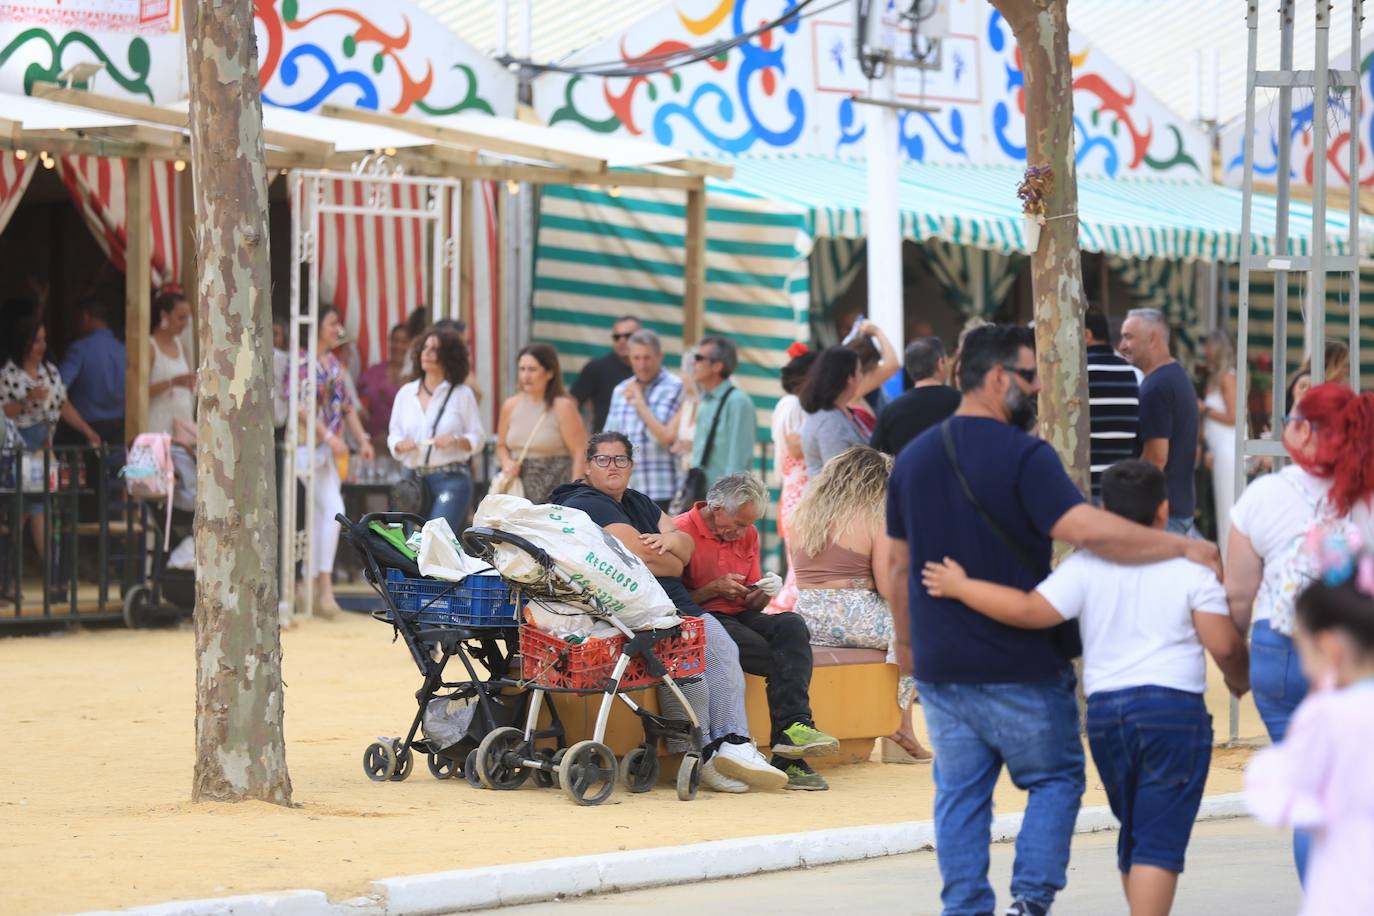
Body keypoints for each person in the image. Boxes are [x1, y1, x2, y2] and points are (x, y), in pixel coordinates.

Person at [885, 324, 1220, 916]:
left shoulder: (913, 459)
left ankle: (965, 907)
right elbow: (1084, 528)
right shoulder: (1025, 455)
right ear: (996, 379)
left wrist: (908, 644)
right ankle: (1029, 902)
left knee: (960, 796)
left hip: (942, 662)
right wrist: (1182, 546)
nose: (1039, 388)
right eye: (1030, 376)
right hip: (1020, 661)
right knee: (1058, 779)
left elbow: (894, 562)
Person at [924, 460, 1250, 916]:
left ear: (1102, 511)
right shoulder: (1191, 567)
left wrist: (961, 587)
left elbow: (1027, 611)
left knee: (1135, 827)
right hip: (1171, 712)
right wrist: (1240, 679)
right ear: (1163, 511)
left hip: (1106, 716)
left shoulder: (1087, 566)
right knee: (1158, 836)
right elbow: (1224, 646)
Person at [551, 433, 787, 793]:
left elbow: (684, 544)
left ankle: (728, 746)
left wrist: (673, 550)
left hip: (668, 601)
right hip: (640, 607)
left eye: (620, 460)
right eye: (603, 459)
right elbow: (640, 559)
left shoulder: (637, 501)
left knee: (720, 654)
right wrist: (671, 555)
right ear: (587, 465)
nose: (612, 466)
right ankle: (713, 750)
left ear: (631, 465)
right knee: (706, 658)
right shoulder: (588, 502)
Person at [1224, 383, 1374, 883]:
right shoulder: (1365, 495)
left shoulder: (1263, 495)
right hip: (1355, 658)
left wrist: (1236, 668)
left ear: (1305, 430)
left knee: (1313, 794)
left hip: (1279, 654)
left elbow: (1239, 596)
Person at [676, 474, 839, 790]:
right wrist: (712, 589)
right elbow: (672, 601)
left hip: (740, 615)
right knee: (780, 658)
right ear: (716, 507)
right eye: (737, 524)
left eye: (746, 525)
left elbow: (750, 600)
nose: (741, 532)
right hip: (703, 619)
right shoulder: (681, 531)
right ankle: (790, 750)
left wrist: (764, 591)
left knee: (791, 625)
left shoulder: (747, 533)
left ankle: (795, 730)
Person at [1244, 531, 1374, 916]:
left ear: (1330, 649)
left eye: (1303, 647)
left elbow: (1281, 796)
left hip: (1347, 894)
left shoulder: (1328, 716)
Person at [788, 445, 931, 764]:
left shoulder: (802, 514)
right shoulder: (875, 516)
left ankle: (897, 727)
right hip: (855, 615)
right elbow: (887, 583)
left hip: (808, 615)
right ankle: (903, 726)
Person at [1, 304, 102, 598]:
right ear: (24, 343)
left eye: (44, 340)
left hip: (46, 447)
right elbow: (3, 411)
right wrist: (26, 399)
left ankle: (49, 579)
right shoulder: (8, 374)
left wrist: (86, 429)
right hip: (19, 447)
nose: (41, 346)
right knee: (21, 513)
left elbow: (63, 404)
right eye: (36, 341)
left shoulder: (50, 371)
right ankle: (24, 578)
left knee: (40, 510)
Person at [289, 305, 375, 618]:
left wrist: (362, 438)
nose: (336, 328)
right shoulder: (300, 360)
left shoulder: (335, 365)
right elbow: (300, 406)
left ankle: (313, 585)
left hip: (328, 448)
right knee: (329, 510)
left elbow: (348, 407)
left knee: (324, 513)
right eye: (331, 322)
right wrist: (328, 436)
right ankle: (319, 586)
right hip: (307, 446)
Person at [388, 328, 484, 533]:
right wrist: (398, 444)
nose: (427, 353)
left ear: (448, 357)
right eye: (425, 348)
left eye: (435, 350)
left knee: (435, 540)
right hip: (412, 479)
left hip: (451, 478)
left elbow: (478, 437)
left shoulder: (462, 394)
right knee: (409, 545)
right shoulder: (406, 393)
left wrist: (456, 440)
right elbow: (394, 433)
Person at [1119, 308, 1199, 535]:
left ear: (1153, 339)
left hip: (1160, 515)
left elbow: (1156, 458)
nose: (1122, 345)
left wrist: (1127, 498)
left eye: (1128, 337)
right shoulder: (1175, 375)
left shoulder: (1157, 387)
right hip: (1176, 508)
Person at [603, 329, 684, 511]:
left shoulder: (676, 387)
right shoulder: (621, 390)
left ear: (660, 356)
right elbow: (608, 438)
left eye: (647, 358)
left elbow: (663, 439)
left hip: (663, 487)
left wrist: (640, 403)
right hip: (628, 489)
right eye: (636, 358)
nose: (641, 364)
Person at [496, 344, 586, 505]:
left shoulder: (563, 406)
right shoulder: (510, 405)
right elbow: (501, 445)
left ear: (550, 373)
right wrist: (507, 463)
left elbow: (579, 451)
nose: (525, 375)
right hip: (517, 489)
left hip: (554, 488)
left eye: (532, 369)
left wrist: (574, 492)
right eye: (522, 369)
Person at [767, 347, 817, 614]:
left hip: (796, 486)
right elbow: (796, 448)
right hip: (800, 487)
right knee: (800, 562)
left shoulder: (790, 404)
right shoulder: (795, 404)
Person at [1084, 307, 1140, 502]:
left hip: (1086, 488)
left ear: (1086, 334)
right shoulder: (1128, 371)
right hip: (1120, 487)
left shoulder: (1078, 372)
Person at [870, 336, 960, 456]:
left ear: (909, 368)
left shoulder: (891, 411)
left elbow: (874, 456)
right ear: (940, 363)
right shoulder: (963, 402)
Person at [57, 298, 126, 446]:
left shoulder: (80, 349)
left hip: (85, 428)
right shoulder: (123, 349)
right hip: (120, 426)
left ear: (85, 317)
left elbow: (58, 386)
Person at [690, 336, 756, 485]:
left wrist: (728, 503)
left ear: (717, 366)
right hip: (702, 497)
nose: (693, 363)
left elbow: (738, 463)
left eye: (699, 358)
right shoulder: (706, 401)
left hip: (723, 500)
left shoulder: (738, 402)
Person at [799, 346, 868, 478]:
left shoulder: (838, 413)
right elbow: (839, 477)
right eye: (859, 371)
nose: (862, 376)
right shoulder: (830, 422)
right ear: (849, 378)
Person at [1200, 330, 1238, 557]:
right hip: (1218, 449)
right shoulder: (1217, 378)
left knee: (1228, 507)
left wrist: (1204, 408)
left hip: (1227, 450)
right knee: (1222, 507)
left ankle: (1230, 557)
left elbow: (1234, 417)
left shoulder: (1228, 378)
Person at [570, 315, 641, 433]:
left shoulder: (651, 370)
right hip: (606, 444)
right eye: (617, 337)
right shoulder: (597, 367)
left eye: (628, 336)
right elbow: (572, 403)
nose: (622, 341)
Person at [357, 323, 411, 462]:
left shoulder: (415, 378)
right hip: (376, 451)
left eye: (403, 342)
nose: (398, 346)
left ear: (410, 345)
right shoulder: (373, 372)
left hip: (406, 451)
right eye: (395, 340)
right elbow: (357, 406)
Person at [147, 290, 196, 437]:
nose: (185, 324)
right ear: (164, 316)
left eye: (187, 318)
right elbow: (139, 391)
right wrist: (172, 382)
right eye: (181, 318)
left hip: (183, 426)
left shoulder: (180, 345)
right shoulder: (149, 346)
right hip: (159, 426)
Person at [846, 320, 900, 430]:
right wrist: (877, 332)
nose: (878, 369)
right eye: (875, 365)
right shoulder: (856, 388)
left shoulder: (853, 387)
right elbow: (893, 364)